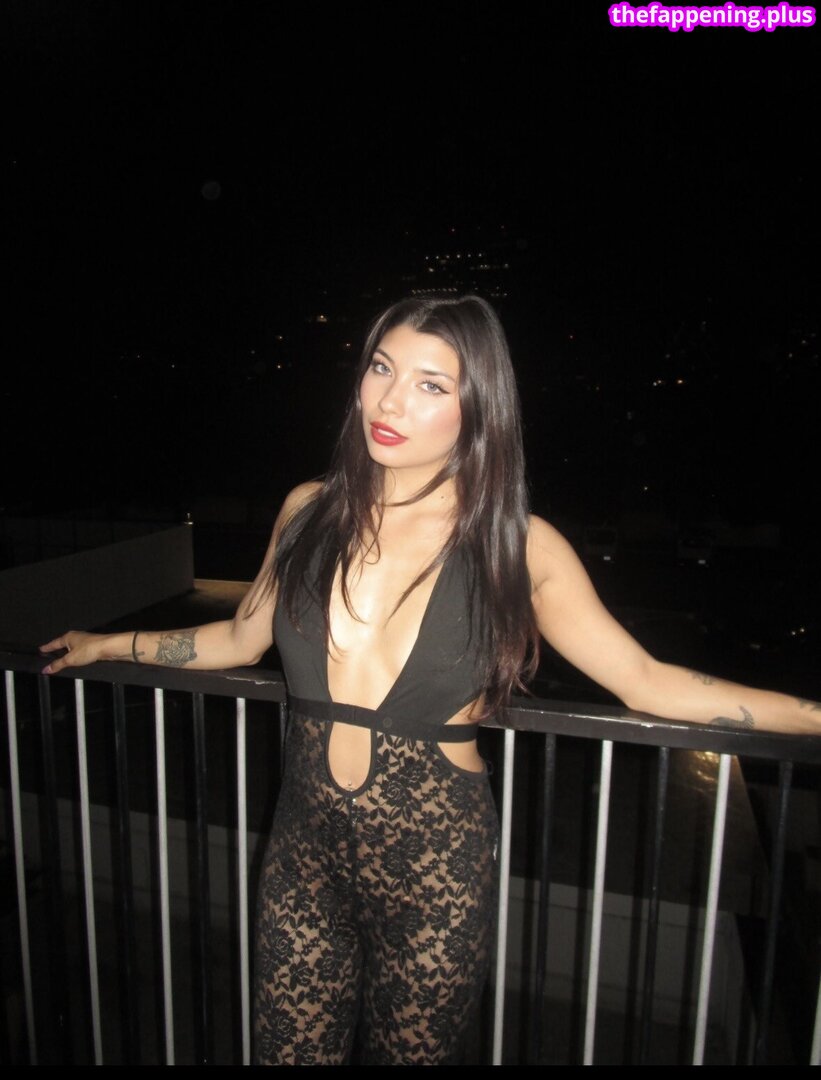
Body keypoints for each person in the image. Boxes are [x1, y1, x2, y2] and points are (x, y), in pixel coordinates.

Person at [40, 295, 820, 1064]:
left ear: (478, 411)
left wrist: (813, 717)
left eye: (430, 384)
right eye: (381, 368)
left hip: (434, 873)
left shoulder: (517, 547)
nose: (389, 401)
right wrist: (107, 644)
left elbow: (646, 681)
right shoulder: (307, 512)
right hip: (303, 854)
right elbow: (240, 638)